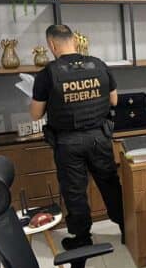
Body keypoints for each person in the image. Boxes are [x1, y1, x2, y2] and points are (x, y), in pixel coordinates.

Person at [30, 24, 124, 250]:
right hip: (99, 138)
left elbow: (36, 114)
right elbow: (114, 101)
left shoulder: (47, 74)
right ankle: (127, 228)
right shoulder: (99, 65)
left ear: (51, 44)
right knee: (110, 185)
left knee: (75, 192)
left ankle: (82, 238)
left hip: (68, 143)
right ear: (74, 40)